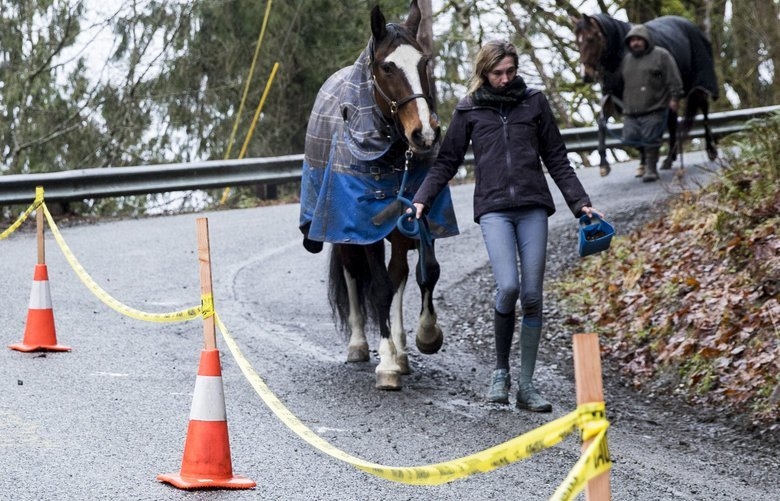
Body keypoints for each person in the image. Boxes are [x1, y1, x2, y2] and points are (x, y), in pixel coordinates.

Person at [411, 40, 601, 412]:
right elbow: (446, 162)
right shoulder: (469, 109)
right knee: (509, 286)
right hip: (494, 209)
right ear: (484, 73)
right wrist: (422, 199)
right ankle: (500, 372)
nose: (505, 79)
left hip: (532, 206)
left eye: (510, 72)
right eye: (497, 73)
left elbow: (558, 159)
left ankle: (527, 386)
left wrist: (582, 205)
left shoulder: (534, 103)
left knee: (532, 295)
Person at [620, 24, 684, 182]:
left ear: (646, 40)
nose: (635, 43)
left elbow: (673, 78)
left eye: (639, 39)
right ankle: (646, 163)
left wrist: (675, 98)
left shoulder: (661, 55)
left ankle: (651, 169)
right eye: (632, 40)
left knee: (651, 140)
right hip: (631, 110)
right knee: (630, 138)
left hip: (655, 107)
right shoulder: (626, 59)